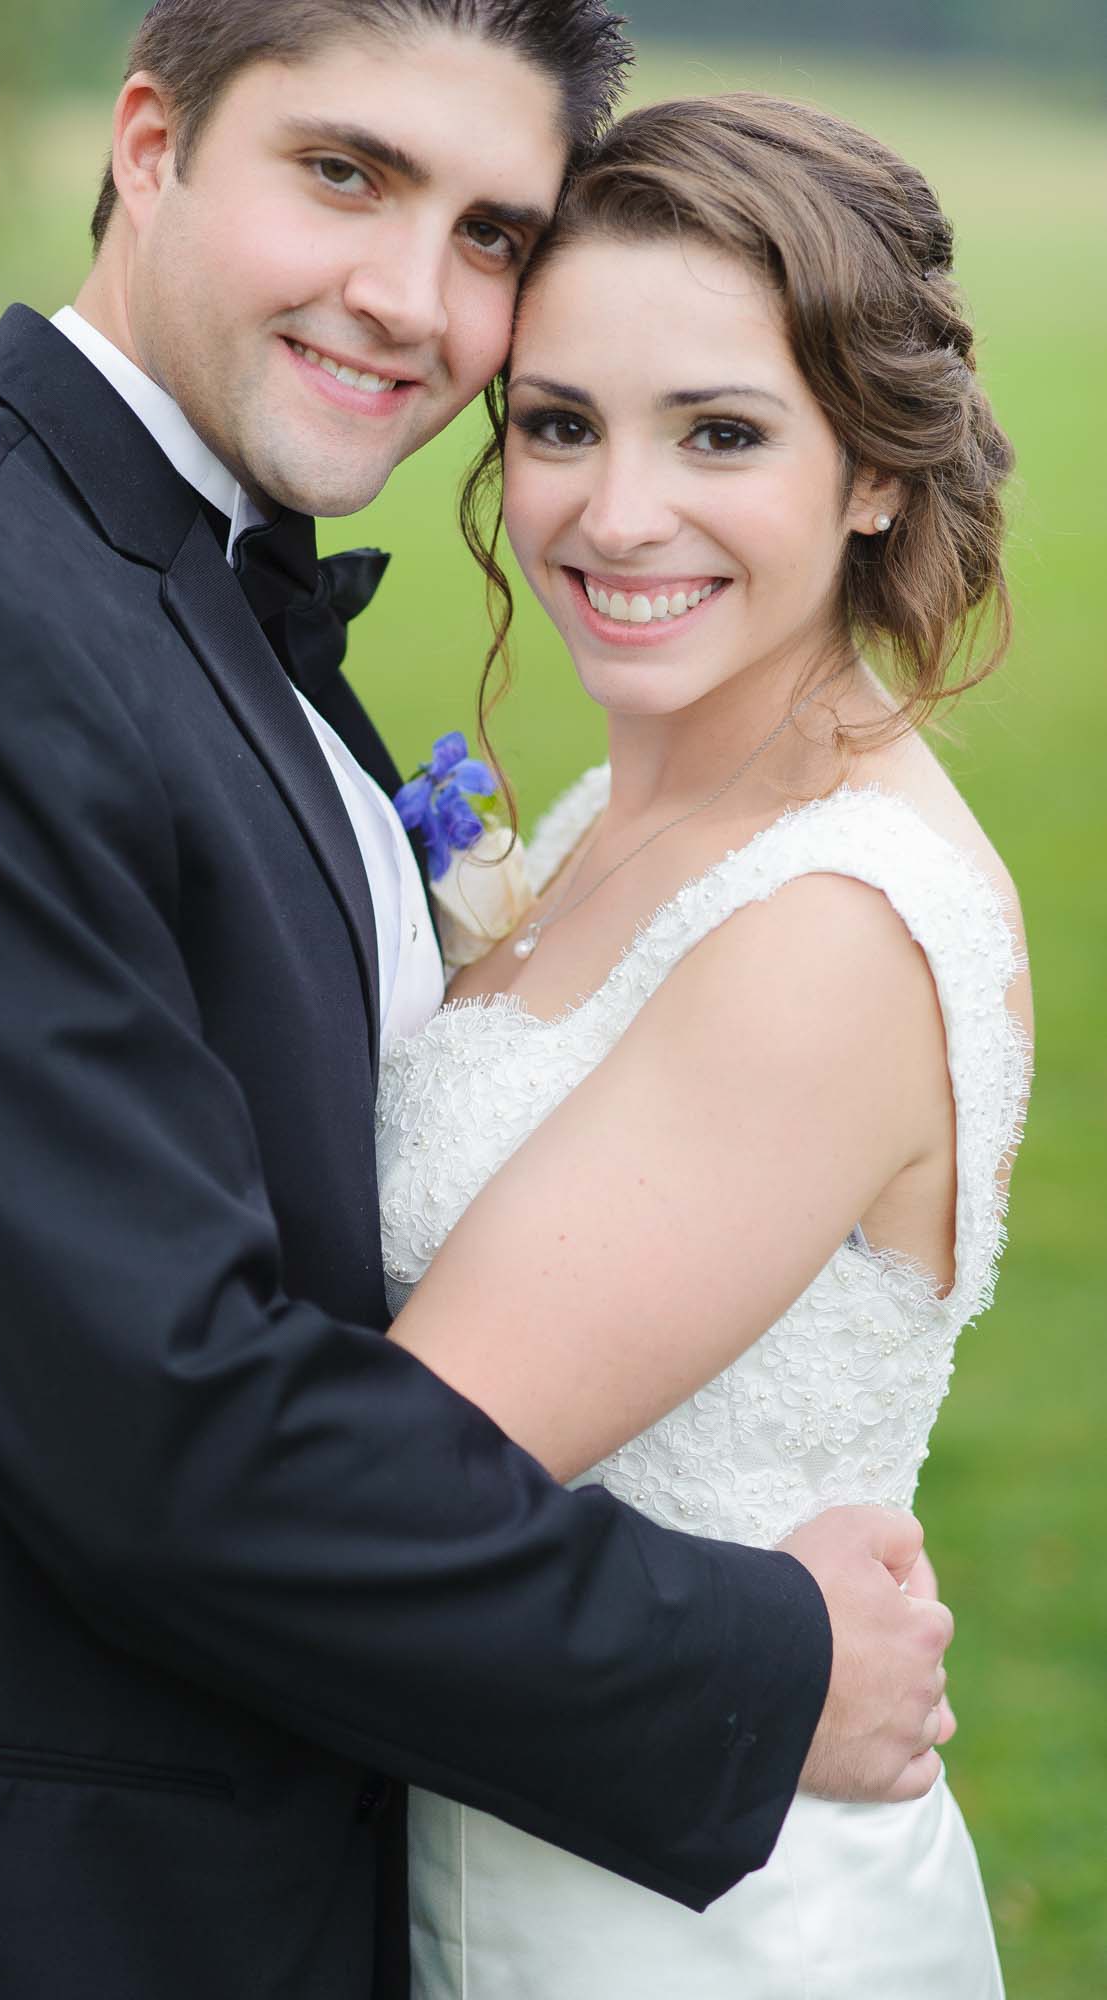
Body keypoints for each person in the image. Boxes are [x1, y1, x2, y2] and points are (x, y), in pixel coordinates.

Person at [0, 5, 953, 1995]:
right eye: (344, 173)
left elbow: (150, 1300)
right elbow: (171, 1430)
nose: (408, 298)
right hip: (35, 1897)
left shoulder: (177, 576)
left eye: (492, 231)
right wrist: (755, 1659)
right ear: (149, 145)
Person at [374, 94, 1027, 1995]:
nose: (611, 511)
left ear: (877, 475)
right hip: (499, 1821)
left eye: (721, 433)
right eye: (560, 423)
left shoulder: (826, 935)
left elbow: (395, 1489)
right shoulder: (613, 818)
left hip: (680, 1915)